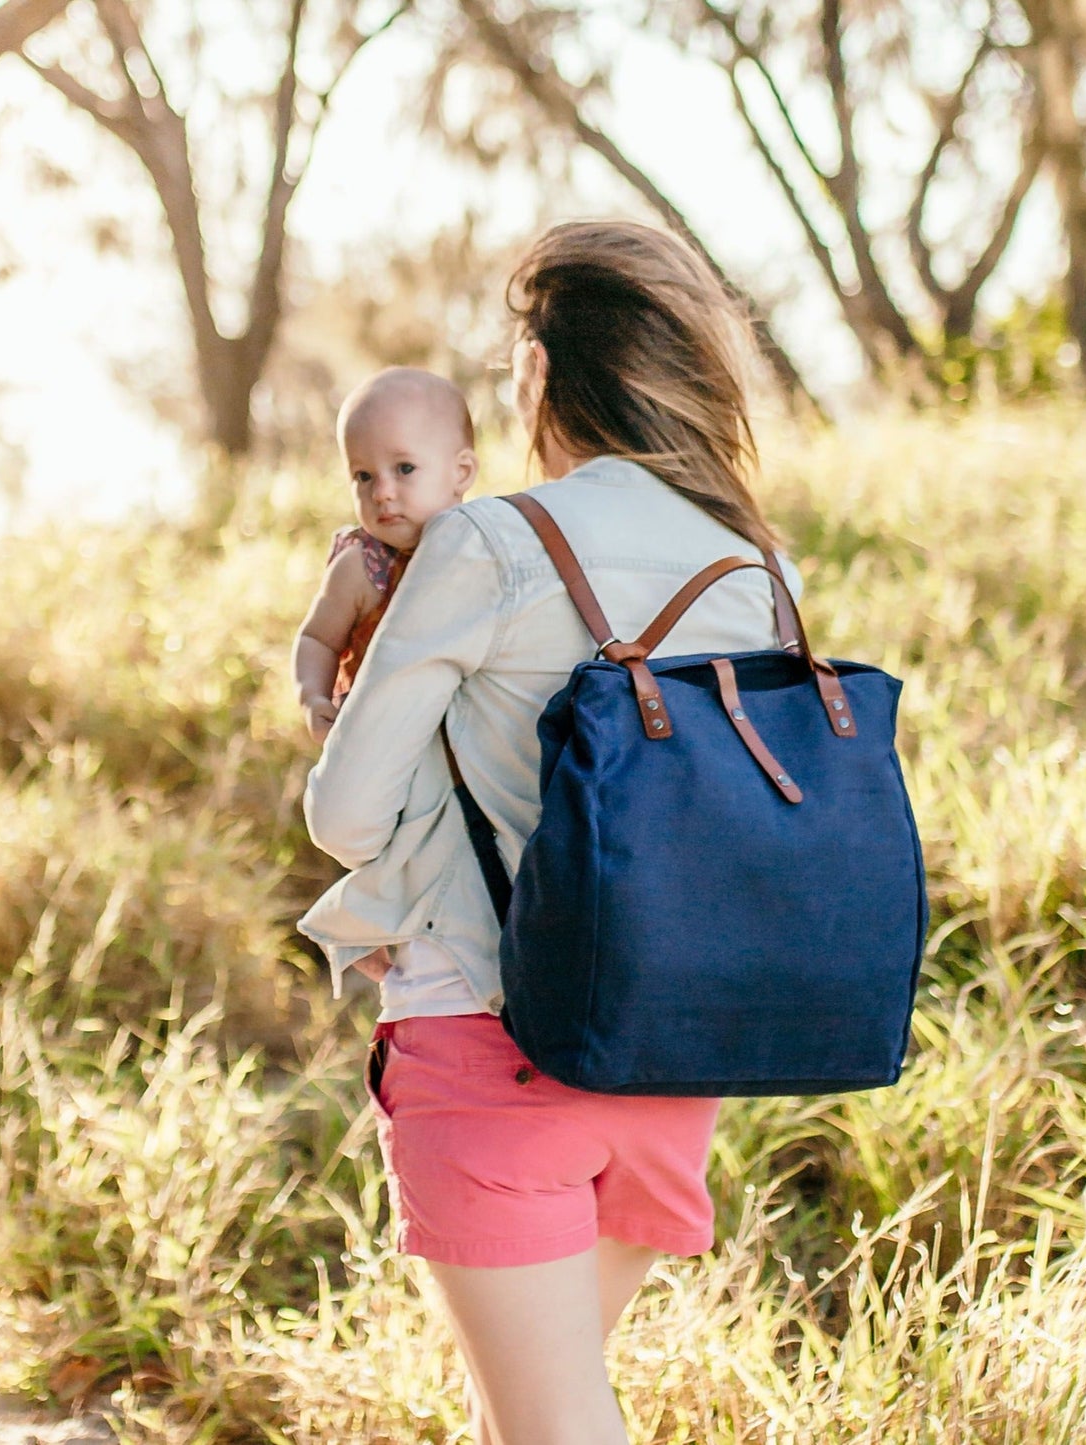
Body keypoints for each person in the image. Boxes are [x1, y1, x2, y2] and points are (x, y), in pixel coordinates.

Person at [302, 219, 803, 1445]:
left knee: (551, 1429)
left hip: (492, 1041)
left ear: (534, 376)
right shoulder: (752, 565)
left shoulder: (485, 540)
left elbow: (345, 812)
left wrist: (327, 683)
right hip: (674, 1057)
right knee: (521, 1416)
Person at [292, 366, 477, 987]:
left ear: (461, 474)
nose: (383, 494)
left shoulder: (484, 549)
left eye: (404, 470)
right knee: (381, 837)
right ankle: (373, 929)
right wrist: (312, 693)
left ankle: (415, 928)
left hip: (458, 734)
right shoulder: (362, 566)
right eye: (363, 477)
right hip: (379, 733)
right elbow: (317, 636)